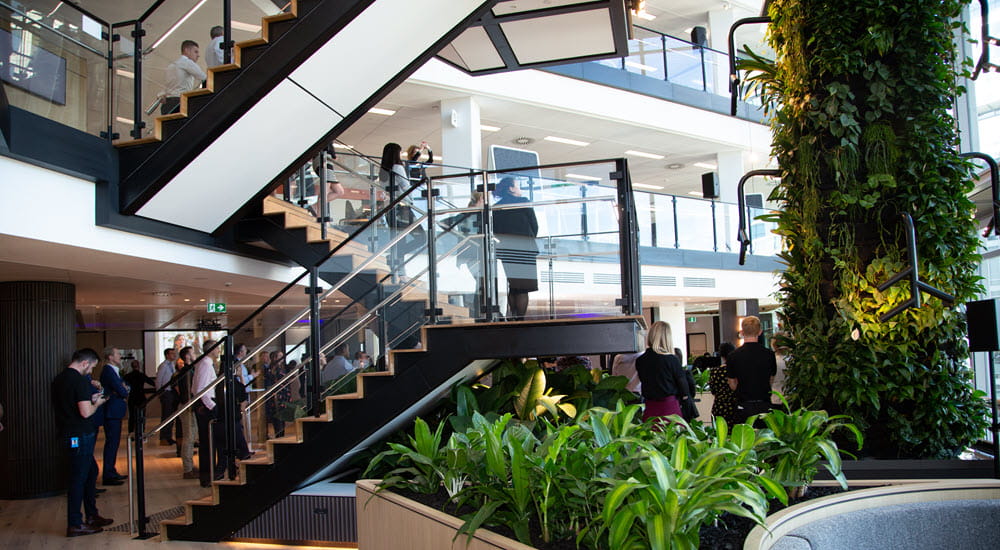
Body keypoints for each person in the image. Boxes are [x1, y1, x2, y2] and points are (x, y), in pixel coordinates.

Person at [51, 348, 113, 537]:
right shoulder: (79, 381)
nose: (91, 371)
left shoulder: (59, 379)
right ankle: (75, 523)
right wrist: (97, 403)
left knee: (90, 471)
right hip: (79, 433)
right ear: (85, 363)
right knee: (78, 478)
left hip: (67, 431)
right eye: (92, 367)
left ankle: (92, 515)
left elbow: (71, 403)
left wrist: (89, 399)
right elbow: (86, 412)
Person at [492, 177, 539, 321]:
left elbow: (495, 230)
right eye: (518, 186)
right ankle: (520, 320)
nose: (520, 189)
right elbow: (534, 226)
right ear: (511, 188)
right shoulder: (523, 202)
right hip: (525, 248)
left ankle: (513, 317)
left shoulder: (497, 207)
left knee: (513, 285)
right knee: (523, 288)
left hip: (507, 250)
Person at [635, 321, 691, 425]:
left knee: (650, 438)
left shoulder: (640, 360)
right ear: (667, 338)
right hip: (670, 408)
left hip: (650, 408)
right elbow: (683, 387)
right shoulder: (672, 360)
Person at [727, 316, 778, 424]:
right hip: (764, 405)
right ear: (760, 332)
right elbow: (771, 379)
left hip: (743, 404)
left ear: (742, 332)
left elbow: (732, 384)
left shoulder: (733, 356)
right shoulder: (769, 354)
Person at [99, 347, 129, 486]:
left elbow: (126, 387)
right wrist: (123, 390)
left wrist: (123, 389)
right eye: (118, 354)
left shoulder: (113, 370)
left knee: (114, 443)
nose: (120, 356)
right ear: (110, 357)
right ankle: (108, 474)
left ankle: (111, 470)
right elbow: (122, 390)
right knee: (112, 443)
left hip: (115, 410)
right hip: (111, 411)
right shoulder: (108, 370)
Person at [193, 340, 220, 487]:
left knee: (209, 442)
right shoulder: (205, 364)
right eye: (217, 348)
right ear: (211, 350)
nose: (219, 351)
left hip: (206, 405)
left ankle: (210, 473)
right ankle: (207, 476)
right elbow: (200, 389)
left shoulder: (205, 363)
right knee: (207, 443)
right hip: (206, 407)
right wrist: (212, 406)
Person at [161, 40, 205, 115]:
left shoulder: (171, 66)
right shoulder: (187, 62)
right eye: (196, 52)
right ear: (186, 50)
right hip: (179, 102)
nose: (198, 55)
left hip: (167, 103)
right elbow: (203, 77)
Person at [176, 346, 198, 479]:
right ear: (187, 356)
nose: (195, 355)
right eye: (193, 352)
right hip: (188, 407)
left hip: (189, 407)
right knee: (189, 438)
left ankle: (189, 466)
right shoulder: (187, 372)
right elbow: (187, 392)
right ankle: (188, 469)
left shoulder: (189, 371)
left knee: (191, 437)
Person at [709, 342, 738, 425]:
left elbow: (713, 391)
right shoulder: (737, 370)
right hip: (734, 407)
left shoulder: (715, 371)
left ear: (721, 355)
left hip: (719, 407)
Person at [123, 359, 155, 434]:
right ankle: (141, 432)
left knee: (132, 416)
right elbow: (152, 383)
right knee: (141, 416)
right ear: (139, 366)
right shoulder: (141, 375)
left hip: (132, 397)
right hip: (141, 397)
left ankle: (131, 432)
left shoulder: (127, 376)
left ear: (131, 367)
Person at [155, 348, 179, 445]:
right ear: (167, 355)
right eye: (172, 354)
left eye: (174, 353)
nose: (174, 355)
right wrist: (160, 393)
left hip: (172, 392)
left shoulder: (172, 365)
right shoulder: (164, 366)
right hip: (166, 392)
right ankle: (164, 437)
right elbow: (158, 380)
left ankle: (168, 436)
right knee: (166, 415)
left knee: (171, 415)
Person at [263, 350, 289, 439]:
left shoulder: (281, 368)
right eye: (280, 356)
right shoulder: (273, 369)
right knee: (278, 420)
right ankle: (279, 438)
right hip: (277, 397)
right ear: (275, 358)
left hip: (283, 396)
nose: (282, 358)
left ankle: (281, 437)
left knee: (282, 420)